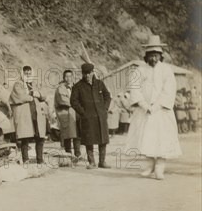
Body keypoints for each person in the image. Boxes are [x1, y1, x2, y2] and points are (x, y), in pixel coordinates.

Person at [125, 36, 182, 179]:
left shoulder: (167, 70)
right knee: (147, 138)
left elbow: (169, 91)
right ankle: (149, 165)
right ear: (146, 56)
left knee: (162, 138)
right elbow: (134, 89)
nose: (154, 59)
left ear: (160, 56)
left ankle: (159, 168)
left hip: (161, 111)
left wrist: (156, 106)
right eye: (151, 56)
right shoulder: (139, 70)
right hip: (144, 111)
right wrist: (144, 105)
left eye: (156, 56)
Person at [70, 63, 111, 169]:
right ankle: (91, 162)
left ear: (93, 72)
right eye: (85, 73)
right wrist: (84, 113)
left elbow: (107, 96)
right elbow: (73, 101)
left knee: (103, 139)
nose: (87, 75)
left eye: (89, 73)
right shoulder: (78, 86)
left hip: (100, 116)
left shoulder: (100, 83)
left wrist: (104, 109)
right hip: (88, 118)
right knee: (89, 140)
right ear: (82, 73)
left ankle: (102, 162)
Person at [9, 66, 47, 165]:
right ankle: (25, 160)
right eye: (26, 73)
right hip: (25, 115)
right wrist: (32, 95)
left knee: (40, 137)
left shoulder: (35, 83)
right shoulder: (18, 84)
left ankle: (40, 160)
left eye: (29, 73)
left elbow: (44, 94)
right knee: (25, 137)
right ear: (22, 73)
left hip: (36, 114)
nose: (28, 75)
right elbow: (21, 96)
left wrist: (38, 94)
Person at [54, 70, 80, 159]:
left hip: (75, 113)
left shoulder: (76, 87)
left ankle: (78, 154)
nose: (68, 78)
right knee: (67, 134)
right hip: (65, 113)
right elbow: (63, 100)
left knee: (77, 133)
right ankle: (68, 154)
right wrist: (76, 104)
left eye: (70, 76)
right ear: (64, 78)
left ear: (72, 77)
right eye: (66, 76)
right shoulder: (60, 88)